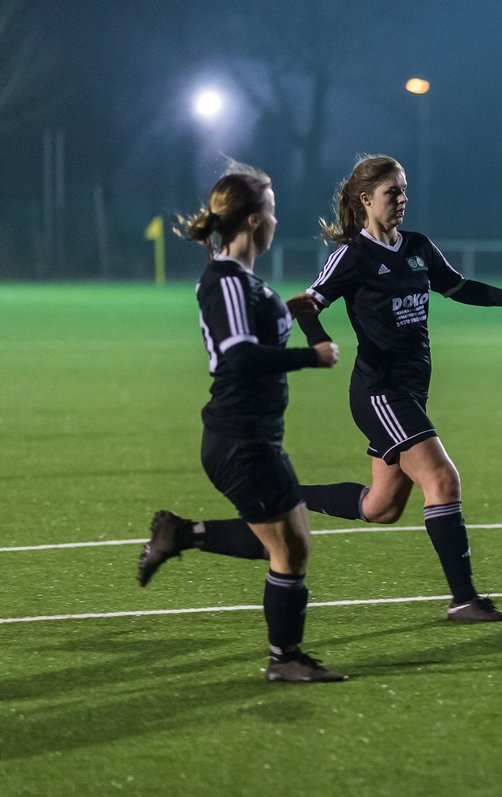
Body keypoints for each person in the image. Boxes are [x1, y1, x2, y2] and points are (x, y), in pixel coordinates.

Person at [288, 154, 502, 623]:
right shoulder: (352, 255)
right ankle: (464, 599)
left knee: (381, 506)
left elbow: (459, 287)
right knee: (443, 480)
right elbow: (305, 304)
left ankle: (286, 491)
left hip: (410, 390)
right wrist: (318, 340)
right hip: (379, 392)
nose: (403, 200)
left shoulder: (418, 247)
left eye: (404, 191)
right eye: (393, 192)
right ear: (366, 199)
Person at [137, 162, 346, 683]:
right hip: (240, 437)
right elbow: (239, 356)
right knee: (290, 545)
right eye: (271, 212)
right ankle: (285, 659)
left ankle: (182, 533)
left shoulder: (244, 281)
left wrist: (291, 314)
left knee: (286, 539)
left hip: (252, 435)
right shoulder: (226, 279)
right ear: (253, 221)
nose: (277, 221)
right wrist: (309, 358)